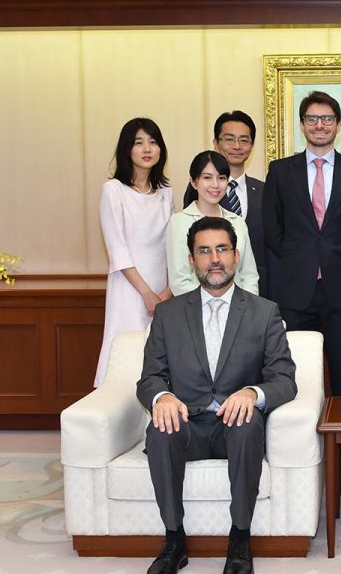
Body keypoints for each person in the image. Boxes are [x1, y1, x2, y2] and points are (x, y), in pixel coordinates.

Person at [138, 216, 297, 574]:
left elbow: (284, 379)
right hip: (188, 425)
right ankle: (173, 540)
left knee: (245, 422)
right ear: (191, 260)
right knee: (160, 428)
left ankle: (240, 539)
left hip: (234, 426)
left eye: (222, 249)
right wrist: (161, 397)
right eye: (204, 251)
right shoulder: (168, 314)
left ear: (236, 256)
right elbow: (149, 377)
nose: (215, 259)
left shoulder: (264, 312)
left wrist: (252, 394)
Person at [262, 90, 341, 498]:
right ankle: (297, 463)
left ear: (338, 124)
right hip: (295, 292)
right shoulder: (281, 170)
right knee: (294, 379)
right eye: (312, 119)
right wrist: (300, 261)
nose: (319, 125)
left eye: (327, 119)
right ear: (302, 124)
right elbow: (272, 231)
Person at [95, 117, 173, 387]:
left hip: (163, 290)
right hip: (130, 287)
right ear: (127, 149)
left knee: (160, 360)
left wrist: (166, 291)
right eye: (139, 143)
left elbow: (171, 246)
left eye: (153, 142)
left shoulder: (165, 192)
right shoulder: (113, 191)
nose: (147, 148)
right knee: (127, 358)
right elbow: (118, 249)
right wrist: (146, 293)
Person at [168, 150, 258, 296]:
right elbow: (180, 280)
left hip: (238, 310)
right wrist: (212, 305)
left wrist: (245, 308)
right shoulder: (179, 222)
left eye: (221, 178)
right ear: (194, 182)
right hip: (196, 310)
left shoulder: (238, 222)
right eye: (207, 178)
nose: (215, 185)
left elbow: (249, 275)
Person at [212, 111, 269, 297]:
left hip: (260, 287)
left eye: (244, 140)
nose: (237, 146)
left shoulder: (265, 190)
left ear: (252, 145)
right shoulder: (203, 190)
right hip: (215, 285)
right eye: (229, 139)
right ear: (216, 143)